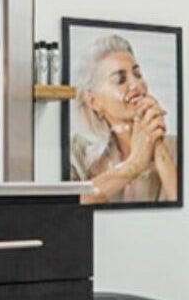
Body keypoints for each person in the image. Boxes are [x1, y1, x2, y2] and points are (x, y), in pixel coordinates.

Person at [68, 34, 179, 205]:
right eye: (120, 79)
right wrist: (134, 164)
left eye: (138, 74)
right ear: (93, 101)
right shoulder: (79, 153)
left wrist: (156, 142)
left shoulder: (176, 149)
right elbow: (69, 206)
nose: (136, 85)